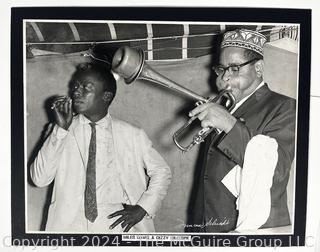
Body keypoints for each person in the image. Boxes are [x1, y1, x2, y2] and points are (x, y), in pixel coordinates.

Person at [30, 62, 171, 233]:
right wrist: (60, 130)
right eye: (75, 86)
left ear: (106, 96)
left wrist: (143, 208)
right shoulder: (60, 129)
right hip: (69, 228)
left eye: (86, 87)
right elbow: (39, 179)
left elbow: (162, 171)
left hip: (118, 226)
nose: (76, 92)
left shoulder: (132, 134)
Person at [188, 29, 296, 232]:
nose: (225, 77)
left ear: (258, 68)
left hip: (252, 229)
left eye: (235, 68)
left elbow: (277, 170)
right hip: (207, 227)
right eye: (221, 69)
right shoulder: (225, 106)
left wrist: (228, 123)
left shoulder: (284, 106)